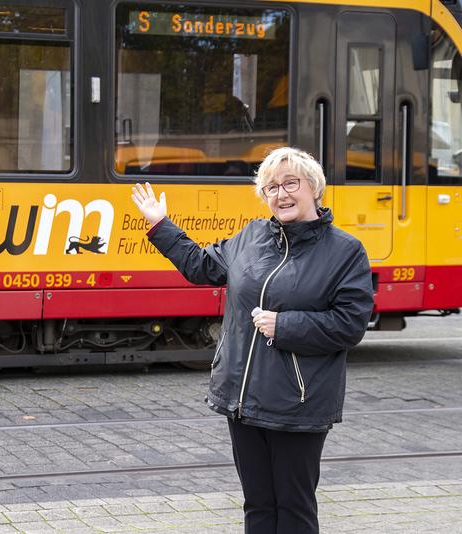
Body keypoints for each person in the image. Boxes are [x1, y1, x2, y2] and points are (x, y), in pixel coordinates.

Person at [131, 147, 374, 533]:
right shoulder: (252, 236)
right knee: (258, 506)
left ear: (314, 187)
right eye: (271, 187)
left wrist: (286, 326)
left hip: (298, 404)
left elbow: (350, 324)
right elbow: (202, 266)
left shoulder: (344, 252)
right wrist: (161, 224)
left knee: (293, 508)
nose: (281, 194)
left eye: (290, 183)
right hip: (244, 400)